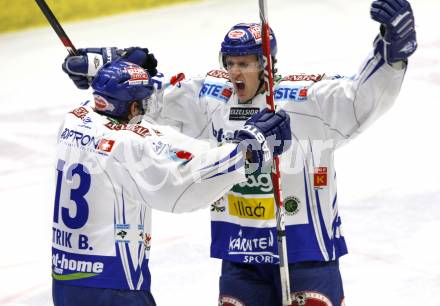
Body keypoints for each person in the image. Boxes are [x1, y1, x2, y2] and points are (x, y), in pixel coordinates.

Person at [62, 0, 417, 304]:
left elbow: (361, 98)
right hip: (239, 253)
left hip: (304, 251)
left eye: (245, 63)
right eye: (230, 63)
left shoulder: (306, 100)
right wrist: (103, 68)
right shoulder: (211, 97)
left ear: (266, 65)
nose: (235, 72)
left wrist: (392, 52)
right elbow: (150, 96)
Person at [52, 59, 291, 306]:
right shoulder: (127, 145)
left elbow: (152, 136)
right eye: (143, 103)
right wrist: (245, 152)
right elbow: (181, 186)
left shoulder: (73, 120)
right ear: (133, 107)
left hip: (65, 279)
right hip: (114, 282)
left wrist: (108, 63)